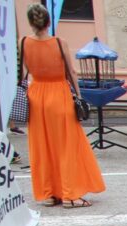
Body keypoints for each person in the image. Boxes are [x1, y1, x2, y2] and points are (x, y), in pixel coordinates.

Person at [21, 3, 104, 208]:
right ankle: (70, 194)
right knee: (66, 145)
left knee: (42, 146)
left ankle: (49, 193)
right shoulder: (59, 42)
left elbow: (24, 71)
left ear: (31, 22)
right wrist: (79, 95)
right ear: (49, 22)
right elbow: (71, 72)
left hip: (36, 95)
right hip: (58, 93)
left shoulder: (23, 42)